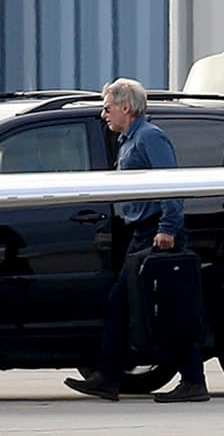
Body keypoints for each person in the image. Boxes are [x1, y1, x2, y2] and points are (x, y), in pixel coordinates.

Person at [64, 78, 210, 403]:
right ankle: (109, 377)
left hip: (156, 233)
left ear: (126, 107)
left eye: (107, 108)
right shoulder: (129, 140)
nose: (104, 115)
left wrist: (168, 228)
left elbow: (171, 185)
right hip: (141, 233)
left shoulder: (150, 138)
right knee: (123, 305)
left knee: (168, 307)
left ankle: (192, 381)